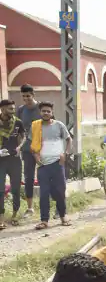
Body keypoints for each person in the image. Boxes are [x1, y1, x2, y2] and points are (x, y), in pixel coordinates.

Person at [30, 102, 71, 230]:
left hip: (57, 164)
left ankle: (63, 216)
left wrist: (66, 154)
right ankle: (44, 220)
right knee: (44, 193)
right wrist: (36, 158)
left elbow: (69, 139)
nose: (46, 113)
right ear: (40, 112)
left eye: (48, 111)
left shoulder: (59, 125)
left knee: (60, 191)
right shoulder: (36, 126)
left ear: (52, 112)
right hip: (42, 165)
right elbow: (33, 145)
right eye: (43, 111)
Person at [16, 84, 41, 218]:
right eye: (24, 96)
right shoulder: (20, 110)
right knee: (28, 177)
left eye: (28, 96)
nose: (26, 99)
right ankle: (30, 208)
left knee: (48, 176)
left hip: (43, 148)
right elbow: (19, 130)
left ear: (33, 95)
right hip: (27, 148)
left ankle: (54, 205)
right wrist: (19, 146)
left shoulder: (41, 108)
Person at [0, 99, 25, 228]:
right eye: (10, 109)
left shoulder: (17, 122)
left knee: (15, 189)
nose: (13, 111)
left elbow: (24, 136)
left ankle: (15, 215)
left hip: (14, 160)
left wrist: (19, 147)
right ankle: (1, 219)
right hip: (1, 161)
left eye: (13, 108)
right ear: (2, 109)